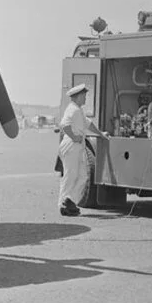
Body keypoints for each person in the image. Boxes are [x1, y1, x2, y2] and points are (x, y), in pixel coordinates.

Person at [58, 83, 109, 216]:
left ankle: (70, 200)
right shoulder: (72, 109)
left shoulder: (78, 110)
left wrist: (100, 134)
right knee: (71, 175)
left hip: (78, 145)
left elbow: (88, 124)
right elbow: (64, 124)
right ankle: (63, 204)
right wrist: (73, 136)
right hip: (71, 145)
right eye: (84, 95)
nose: (86, 98)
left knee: (83, 176)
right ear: (78, 96)